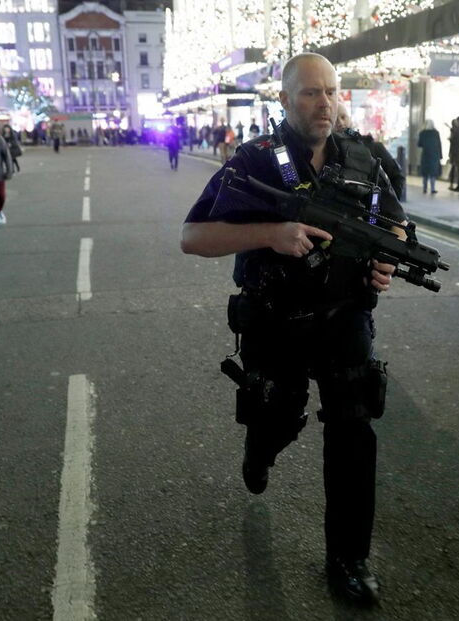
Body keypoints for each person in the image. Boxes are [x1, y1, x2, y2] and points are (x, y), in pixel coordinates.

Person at [180, 52, 406, 606]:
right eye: (310, 92)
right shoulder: (256, 160)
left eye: (330, 91)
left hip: (346, 317)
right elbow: (193, 236)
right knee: (277, 415)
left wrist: (387, 257)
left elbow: (395, 224)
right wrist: (271, 234)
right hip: (275, 320)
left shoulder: (363, 158)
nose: (324, 102)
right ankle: (260, 448)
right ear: (284, 100)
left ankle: (349, 558)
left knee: (354, 430)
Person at [335, 102, 406, 200]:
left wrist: (387, 204)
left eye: (343, 117)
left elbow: (397, 177)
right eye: (335, 119)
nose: (340, 123)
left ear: (350, 119)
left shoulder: (373, 147)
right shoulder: (327, 152)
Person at [417, 120, 442, 194]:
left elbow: (419, 144)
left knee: (425, 172)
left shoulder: (422, 133)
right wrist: (440, 156)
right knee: (433, 172)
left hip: (425, 154)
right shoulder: (436, 133)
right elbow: (439, 145)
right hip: (435, 155)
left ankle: (424, 188)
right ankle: (432, 189)